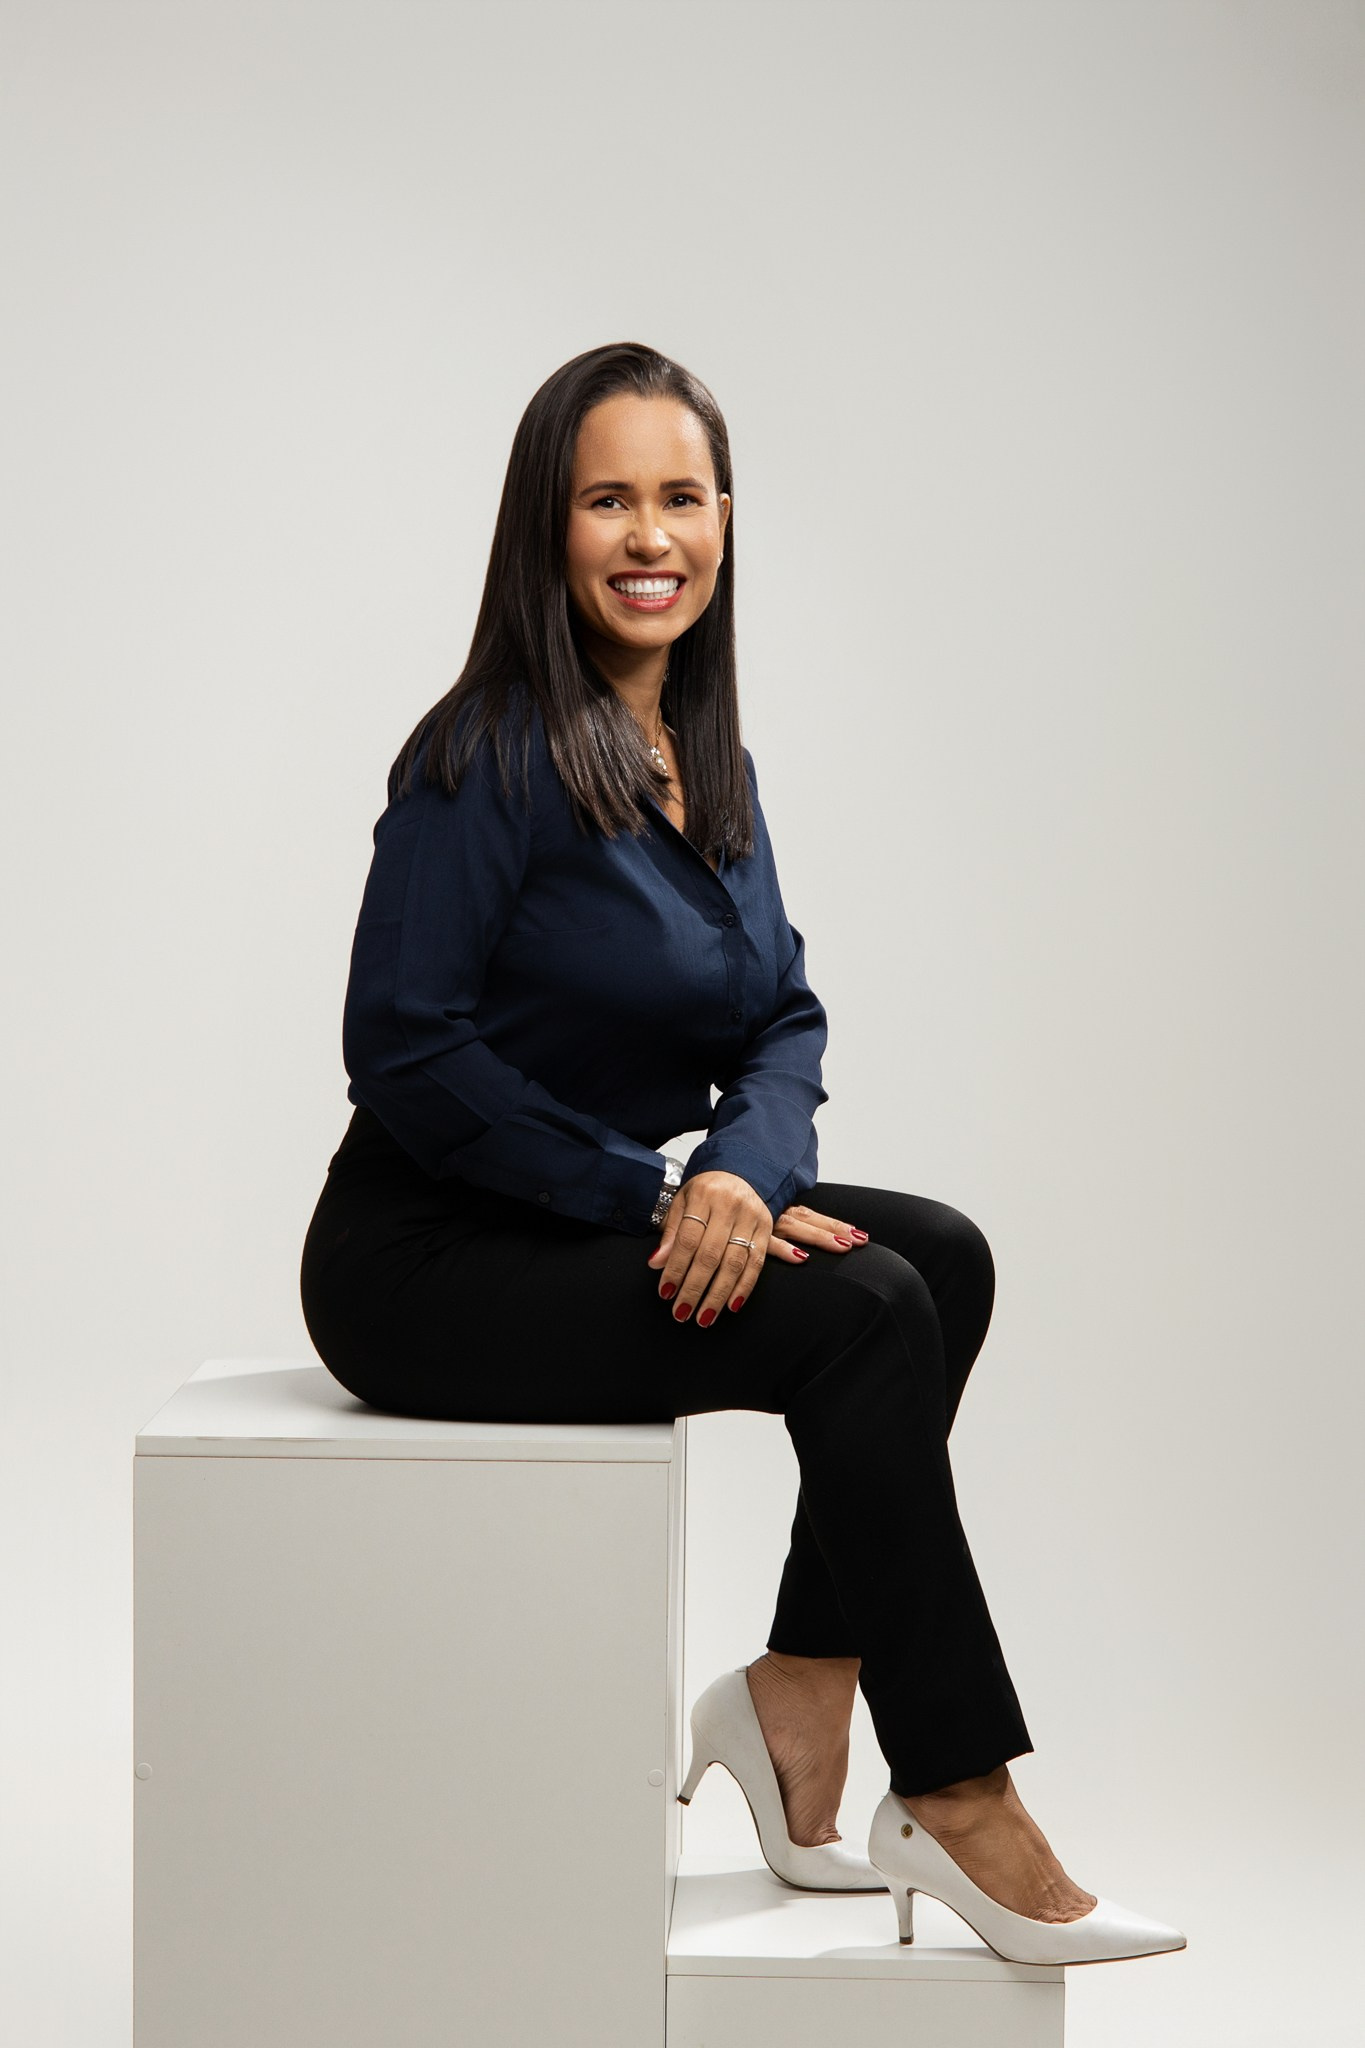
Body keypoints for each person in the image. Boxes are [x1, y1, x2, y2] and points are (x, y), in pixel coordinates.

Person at [299, 341, 1185, 1967]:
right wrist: (648, 1190)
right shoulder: (478, 758)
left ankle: (796, 1685)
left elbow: (782, 1017)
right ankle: (956, 1792)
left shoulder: (707, 765)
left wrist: (733, 1175)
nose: (651, 537)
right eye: (607, 499)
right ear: (546, 526)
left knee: (941, 1257)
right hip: (426, 1260)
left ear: (724, 519)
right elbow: (404, 1049)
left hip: (590, 1216)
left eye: (682, 496)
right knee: (860, 1314)